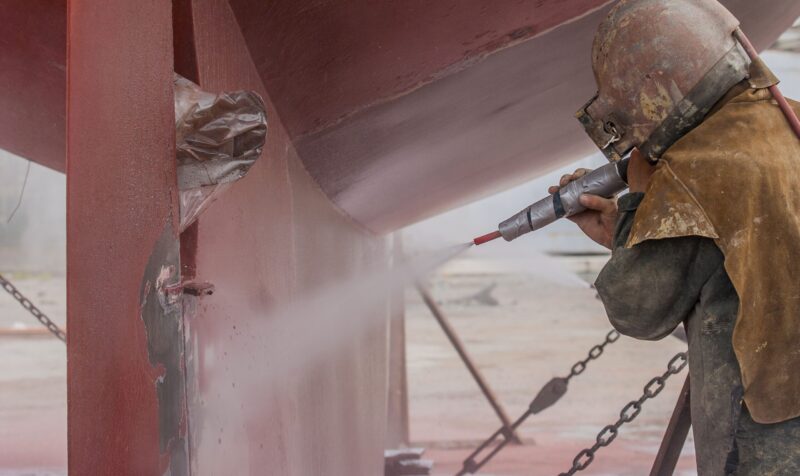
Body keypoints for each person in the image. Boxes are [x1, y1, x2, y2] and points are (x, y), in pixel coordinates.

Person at [557, 0, 800, 474]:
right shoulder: (787, 122)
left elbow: (638, 309)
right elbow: (736, 248)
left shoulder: (694, 172)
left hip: (768, 431)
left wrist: (639, 199)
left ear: (653, 87)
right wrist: (629, 229)